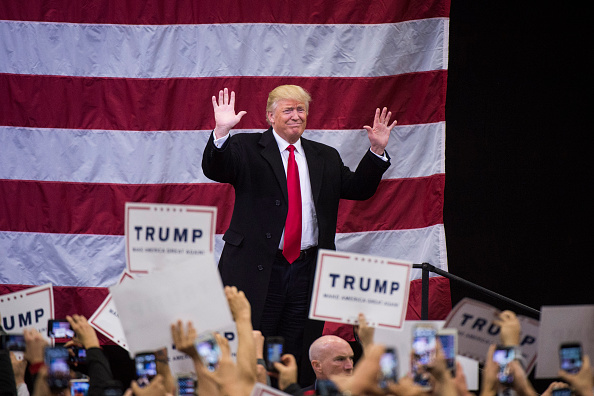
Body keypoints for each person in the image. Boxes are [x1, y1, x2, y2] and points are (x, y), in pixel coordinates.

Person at [201, 85, 396, 378]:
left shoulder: (325, 156)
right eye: (288, 110)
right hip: (259, 267)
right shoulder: (245, 148)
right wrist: (221, 132)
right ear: (270, 116)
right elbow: (215, 169)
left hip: (307, 269)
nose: (296, 116)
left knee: (298, 345)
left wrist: (377, 150)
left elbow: (359, 189)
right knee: (253, 344)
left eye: (301, 109)